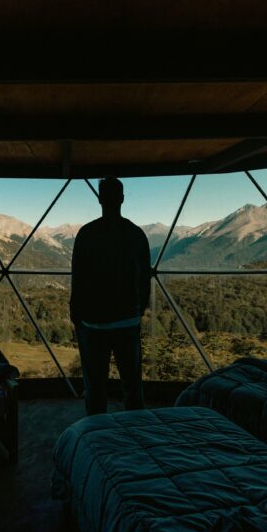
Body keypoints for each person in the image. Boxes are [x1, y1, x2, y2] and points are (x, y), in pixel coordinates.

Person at [70, 178, 151, 415]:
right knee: (132, 385)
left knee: (95, 387)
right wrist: (139, 310)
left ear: (99, 199)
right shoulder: (136, 234)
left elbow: (78, 277)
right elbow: (145, 278)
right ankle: (136, 430)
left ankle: (96, 431)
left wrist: (77, 314)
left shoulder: (86, 233)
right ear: (122, 199)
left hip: (93, 323)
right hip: (128, 320)